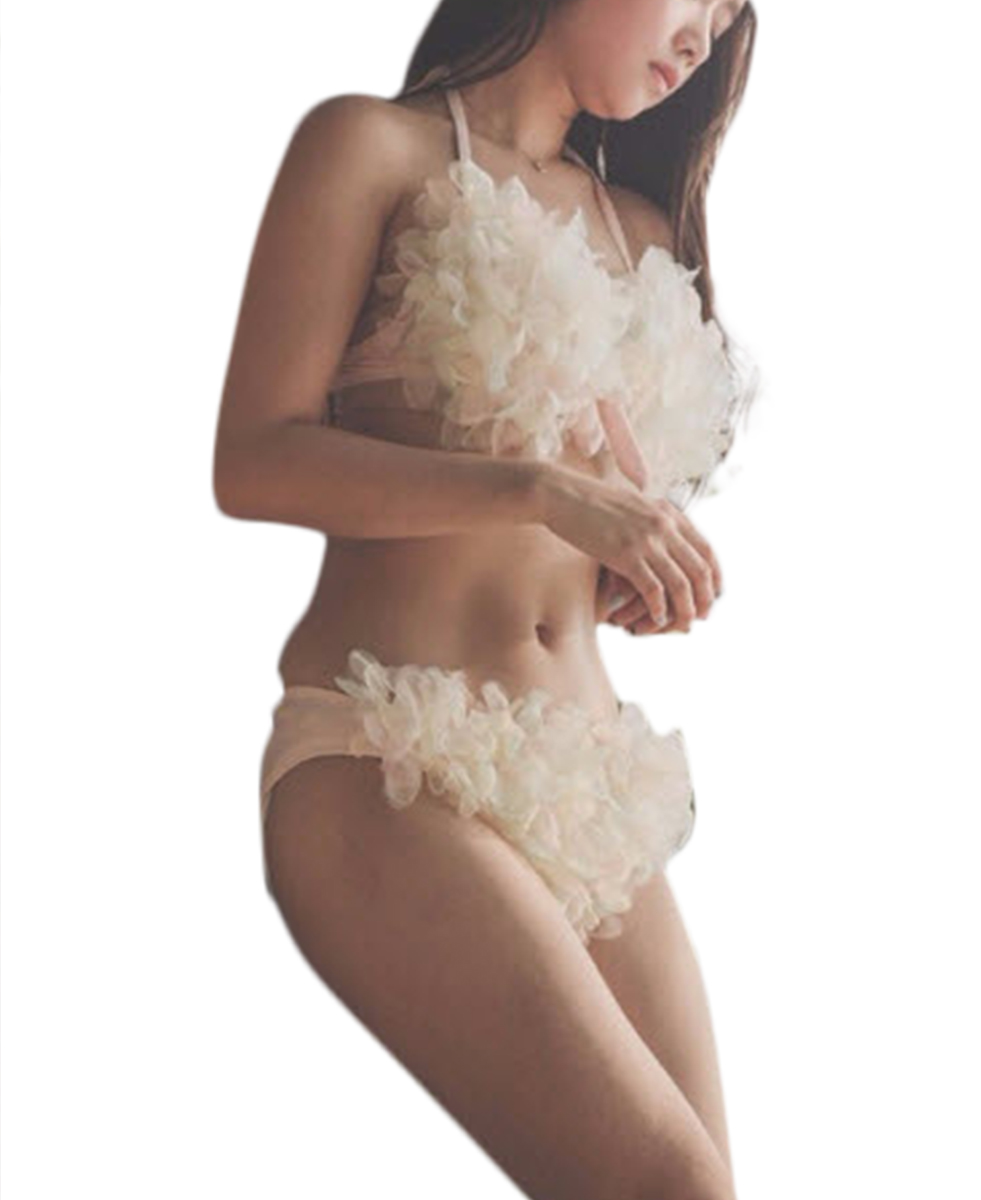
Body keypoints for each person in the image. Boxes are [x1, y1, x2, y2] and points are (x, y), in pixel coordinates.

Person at [213, 1, 759, 1197]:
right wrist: (538, 491)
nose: (706, 37)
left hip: (590, 785)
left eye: (731, 16)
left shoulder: (640, 226)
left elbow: (587, 513)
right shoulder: (370, 148)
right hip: (386, 753)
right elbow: (251, 461)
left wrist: (625, 570)